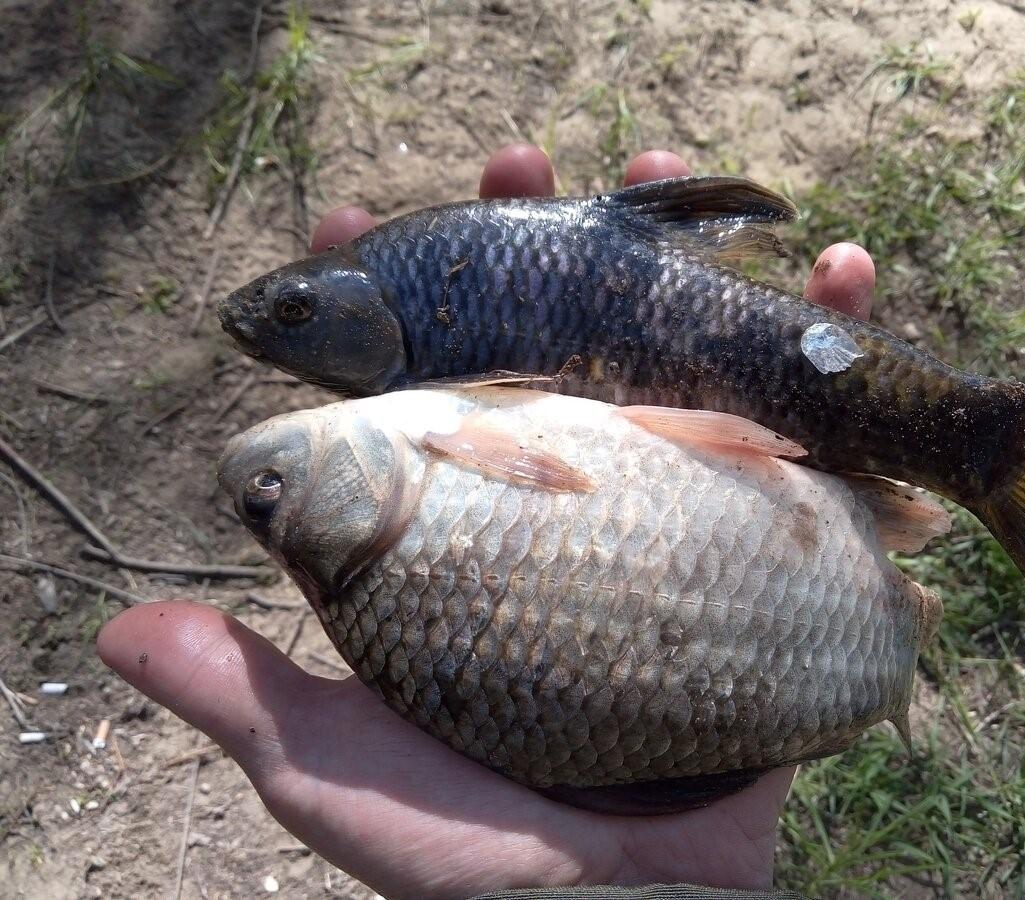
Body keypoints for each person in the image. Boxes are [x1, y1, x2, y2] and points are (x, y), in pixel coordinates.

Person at [97, 145, 876, 900]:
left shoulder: (406, 458)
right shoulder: (418, 457)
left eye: (270, 495)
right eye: (269, 496)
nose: (265, 481)